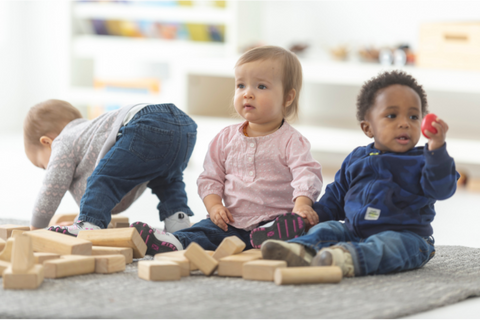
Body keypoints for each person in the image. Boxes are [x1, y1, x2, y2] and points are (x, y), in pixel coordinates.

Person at [261, 70, 459, 277]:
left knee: (390, 245)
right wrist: (315, 215)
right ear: (368, 128)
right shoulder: (357, 159)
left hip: (408, 237)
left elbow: (442, 189)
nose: (405, 123)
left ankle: (344, 259)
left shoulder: (426, 160)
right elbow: (336, 197)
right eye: (392, 116)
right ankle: (301, 249)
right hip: (354, 232)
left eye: (413, 116)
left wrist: (437, 148)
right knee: (328, 229)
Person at [131, 45, 323, 255]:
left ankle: (273, 237)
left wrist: (303, 205)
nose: (247, 94)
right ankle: (173, 242)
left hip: (274, 222)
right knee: (204, 232)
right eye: (241, 85)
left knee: (298, 227)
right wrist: (214, 207)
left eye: (261, 86)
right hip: (231, 223)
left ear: (288, 97)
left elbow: (306, 174)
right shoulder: (225, 138)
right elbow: (210, 178)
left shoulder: (292, 141)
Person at [24, 100, 197, 234]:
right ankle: (178, 224)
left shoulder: (63, 140)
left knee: (104, 180)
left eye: (43, 165)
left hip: (145, 120)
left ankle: (89, 225)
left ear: (47, 142)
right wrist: (79, 218)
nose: (52, 168)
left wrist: (37, 228)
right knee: (167, 179)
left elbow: (52, 186)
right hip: (184, 128)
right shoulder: (89, 135)